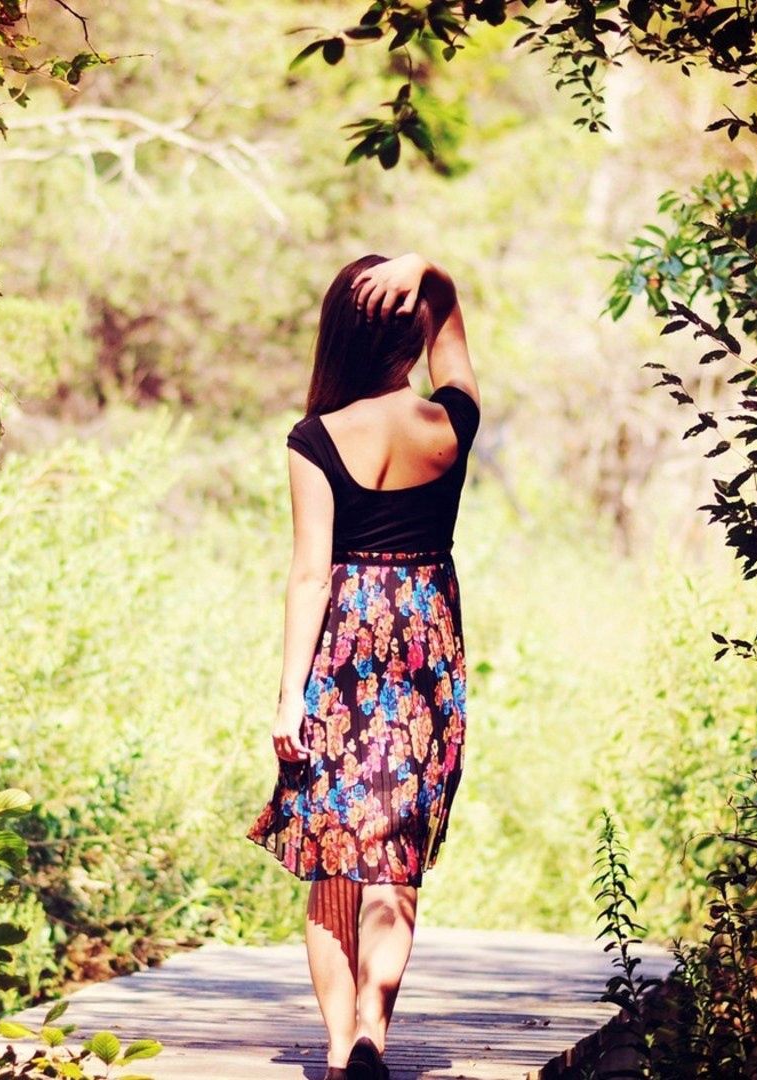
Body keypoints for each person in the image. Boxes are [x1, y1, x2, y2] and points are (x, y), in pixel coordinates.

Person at [245, 251, 481, 1080]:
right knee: (394, 856)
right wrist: (436, 277)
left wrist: (288, 699)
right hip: (427, 648)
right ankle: (377, 1023)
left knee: (332, 860)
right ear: (412, 329)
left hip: (345, 651)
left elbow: (310, 571)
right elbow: (455, 346)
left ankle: (341, 1048)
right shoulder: (448, 424)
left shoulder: (316, 438)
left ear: (339, 333)